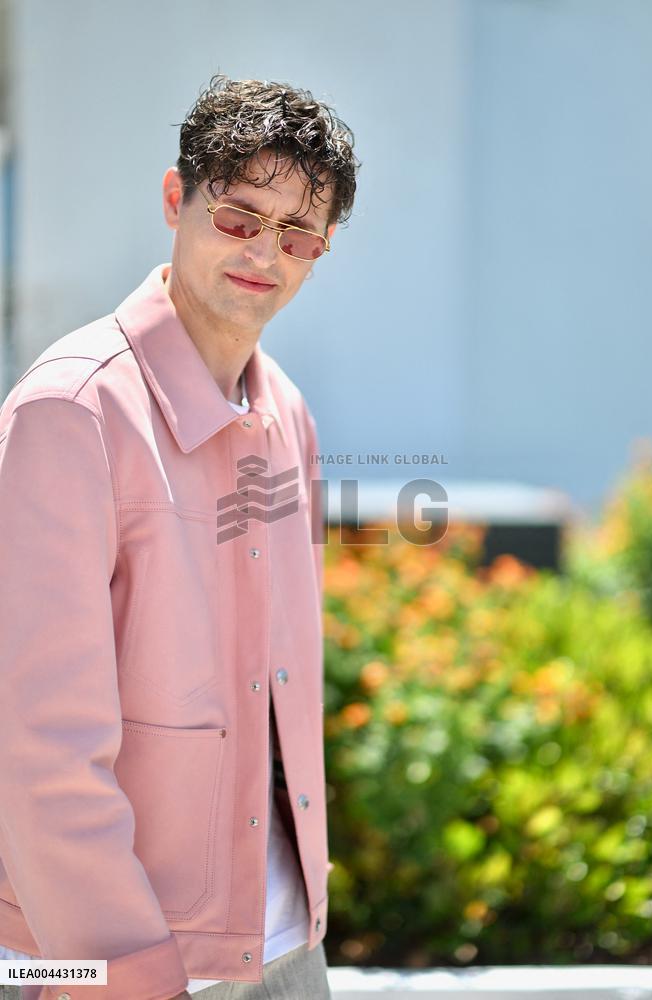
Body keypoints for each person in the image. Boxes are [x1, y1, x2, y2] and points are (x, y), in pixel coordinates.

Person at [0, 75, 359, 1000]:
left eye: (298, 235)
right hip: (119, 966)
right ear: (176, 198)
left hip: (285, 951)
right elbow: (36, 739)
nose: (264, 255)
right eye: (239, 218)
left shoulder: (289, 415)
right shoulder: (69, 410)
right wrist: (118, 965)